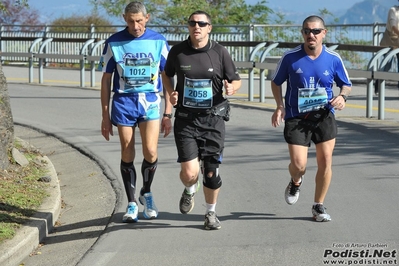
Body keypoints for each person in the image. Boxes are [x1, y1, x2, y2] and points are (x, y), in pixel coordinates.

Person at [162, 10, 242, 230]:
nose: (196, 27)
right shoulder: (178, 52)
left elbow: (236, 80)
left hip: (213, 120)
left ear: (209, 27)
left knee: (211, 172)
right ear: (188, 26)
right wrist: (171, 93)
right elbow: (166, 75)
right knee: (190, 174)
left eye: (201, 23)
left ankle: (210, 213)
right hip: (186, 121)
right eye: (192, 23)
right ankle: (189, 189)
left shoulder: (219, 52)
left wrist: (231, 87)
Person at [271, 15, 352, 222]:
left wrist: (342, 97)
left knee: (325, 161)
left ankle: (318, 205)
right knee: (299, 165)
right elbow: (276, 82)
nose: (311, 35)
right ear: (302, 33)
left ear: (324, 33)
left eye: (316, 31)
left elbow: (346, 84)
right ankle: (296, 180)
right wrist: (280, 106)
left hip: (324, 115)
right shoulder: (290, 57)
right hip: (297, 117)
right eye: (307, 31)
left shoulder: (333, 59)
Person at [99, 1, 173, 223]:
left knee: (150, 151)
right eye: (131, 21)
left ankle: (146, 193)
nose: (135, 26)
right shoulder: (114, 42)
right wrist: (105, 115)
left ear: (147, 18)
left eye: (139, 21)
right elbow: (105, 80)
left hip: (150, 101)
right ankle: (131, 203)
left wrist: (168, 112)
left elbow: (167, 76)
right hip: (123, 102)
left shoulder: (158, 41)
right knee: (127, 151)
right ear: (124, 19)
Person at [378, 1, 399, 93]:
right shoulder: (393, 10)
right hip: (390, 41)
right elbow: (393, 25)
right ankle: (377, 85)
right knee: (387, 65)